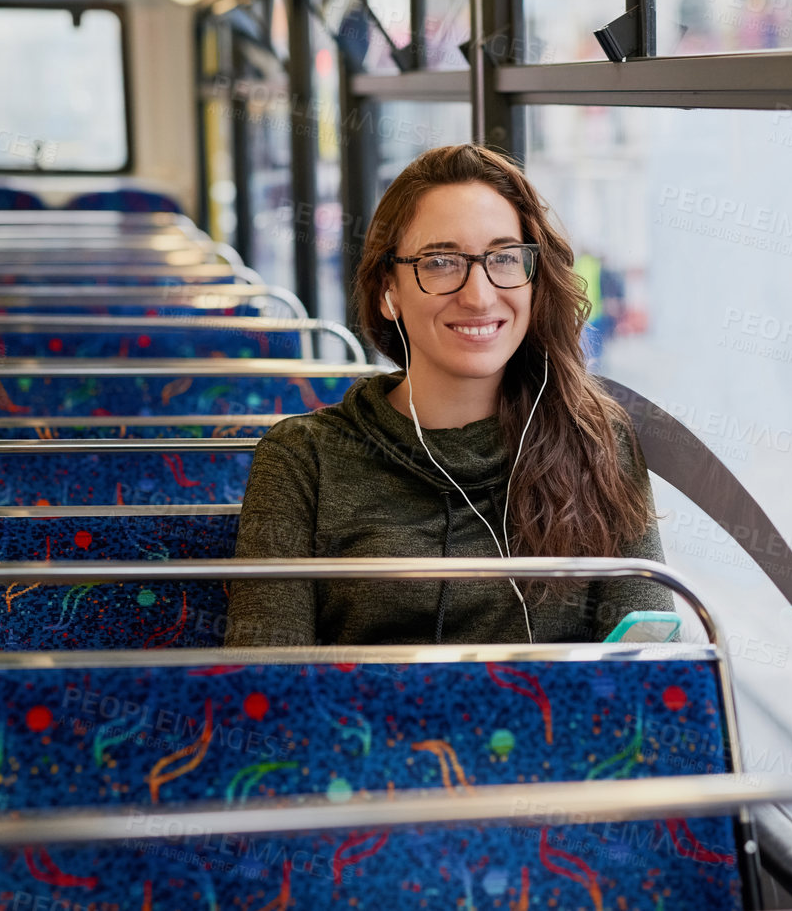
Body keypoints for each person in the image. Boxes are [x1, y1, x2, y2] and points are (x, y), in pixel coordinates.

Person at [226, 144, 672, 647]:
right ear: (387, 292)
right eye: (441, 262)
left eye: (503, 258)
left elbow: (649, 674)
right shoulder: (303, 460)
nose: (479, 295)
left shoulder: (597, 440)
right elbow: (266, 686)